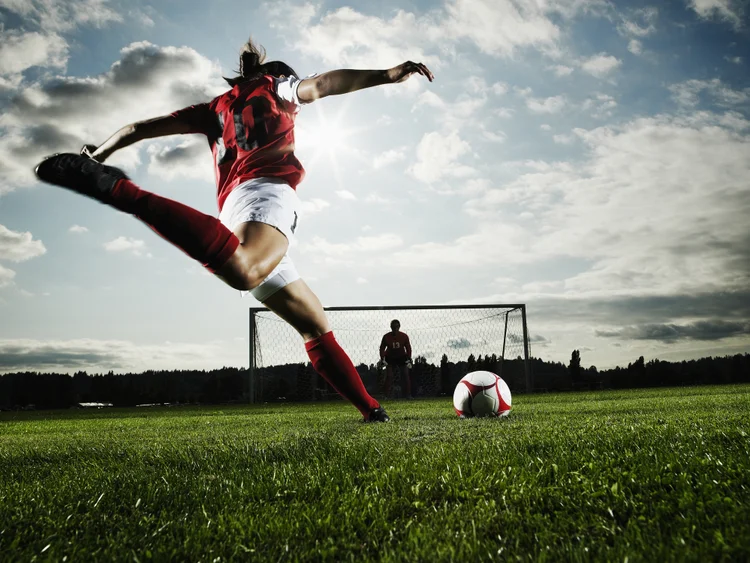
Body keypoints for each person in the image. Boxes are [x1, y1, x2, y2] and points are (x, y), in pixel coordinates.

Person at [34, 38, 434, 422]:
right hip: (267, 196)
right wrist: (387, 73)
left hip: (235, 213)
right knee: (244, 271)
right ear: (279, 75)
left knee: (313, 324)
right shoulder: (278, 86)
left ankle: (371, 410)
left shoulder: (214, 108)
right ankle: (122, 193)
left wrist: (98, 153)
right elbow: (324, 84)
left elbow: (139, 128)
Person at [379, 319, 413, 398]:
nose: (395, 329)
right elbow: (382, 348)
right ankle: (386, 395)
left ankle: (408, 394)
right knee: (389, 376)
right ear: (391, 327)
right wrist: (383, 358)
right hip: (390, 357)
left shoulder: (404, 336)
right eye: (393, 327)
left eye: (396, 327)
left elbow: (408, 348)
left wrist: (408, 358)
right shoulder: (386, 337)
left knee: (405, 375)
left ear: (399, 327)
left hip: (401, 357)